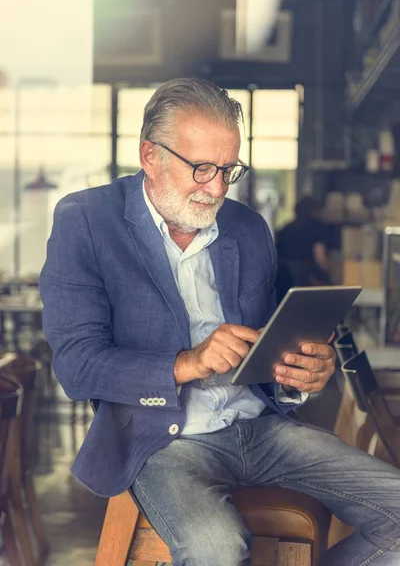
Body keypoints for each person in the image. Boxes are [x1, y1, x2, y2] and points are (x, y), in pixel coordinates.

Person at [40, 79, 400, 566]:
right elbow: (78, 368)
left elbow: (269, 346)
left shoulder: (248, 229)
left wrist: (301, 375)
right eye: (202, 168)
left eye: (228, 169)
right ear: (151, 156)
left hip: (263, 427)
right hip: (164, 439)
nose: (217, 188)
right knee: (216, 546)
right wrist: (188, 363)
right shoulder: (86, 220)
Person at [275, 196, 332, 303]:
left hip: (285, 281)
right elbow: (320, 256)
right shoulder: (317, 227)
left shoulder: (284, 230)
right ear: (315, 211)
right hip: (308, 279)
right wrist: (328, 275)